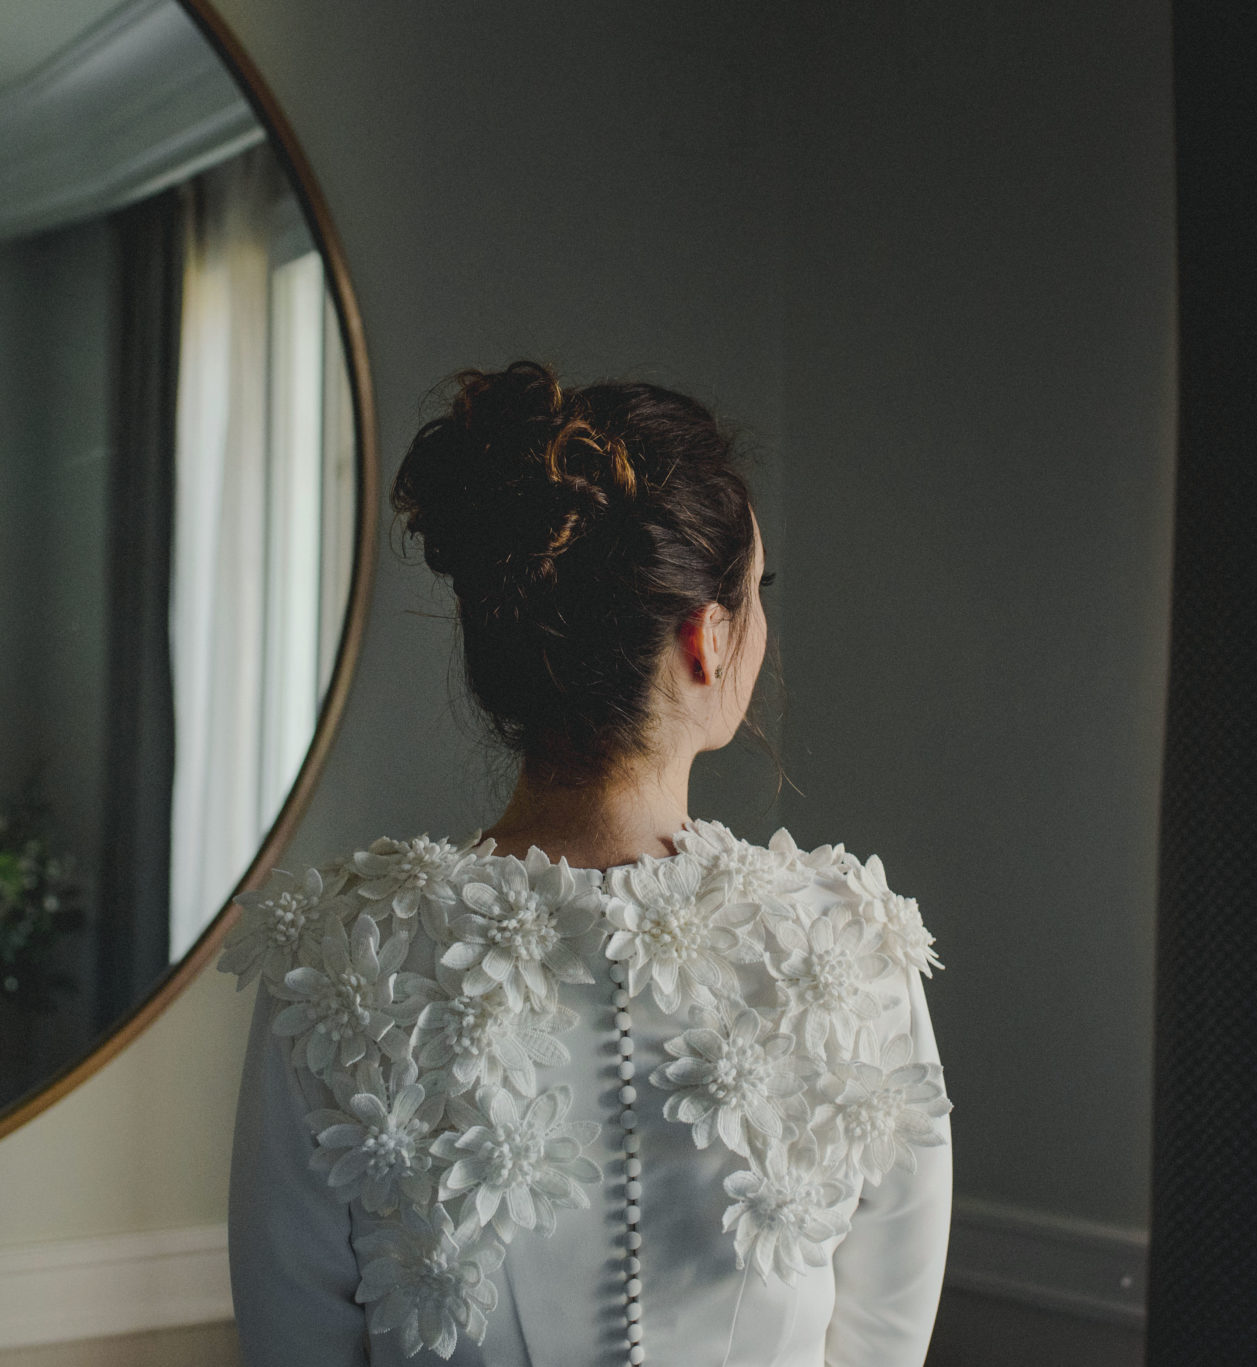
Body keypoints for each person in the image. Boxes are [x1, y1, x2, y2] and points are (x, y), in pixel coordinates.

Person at [224, 363, 952, 1366]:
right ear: (708, 638)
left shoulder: (340, 957)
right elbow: (881, 1344)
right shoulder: (852, 946)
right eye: (757, 593)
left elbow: (294, 1343)